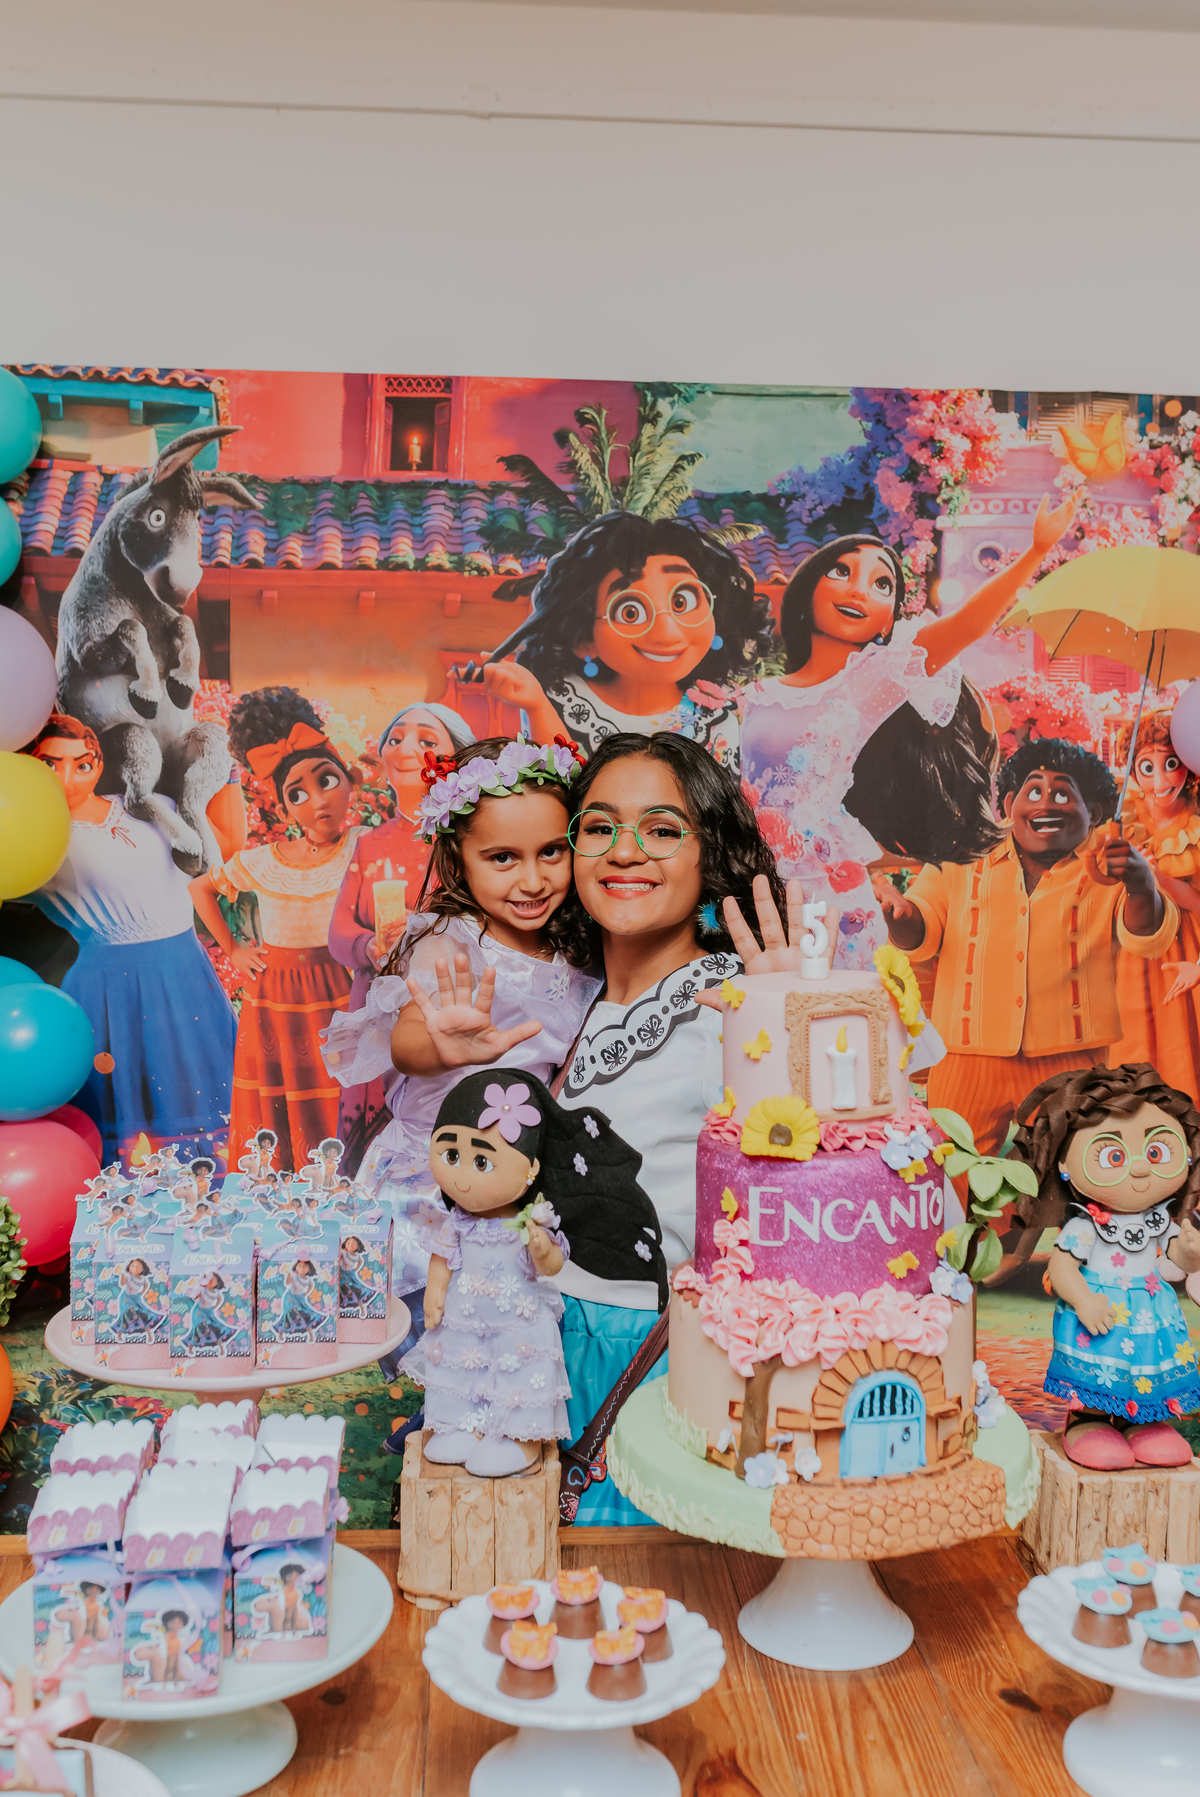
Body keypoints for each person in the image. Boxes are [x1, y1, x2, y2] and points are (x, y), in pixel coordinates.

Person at [549, 731, 789, 1522]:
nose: (625, 850)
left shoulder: (735, 999)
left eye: (661, 828)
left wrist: (792, 1022)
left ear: (709, 854)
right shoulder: (570, 1004)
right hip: (554, 1354)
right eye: (598, 826)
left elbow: (824, 1172)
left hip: (658, 1371)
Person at [321, 736, 601, 1327]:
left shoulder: (578, 950)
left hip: (511, 1179)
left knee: (501, 1337)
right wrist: (441, 1046)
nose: (532, 881)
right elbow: (408, 1043)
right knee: (428, 1330)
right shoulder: (449, 942)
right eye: (502, 858)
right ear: (457, 858)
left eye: (552, 851)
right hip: (431, 1177)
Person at [877, 738, 1180, 1280]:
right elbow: (921, 927)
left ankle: (1053, 1255)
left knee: (1072, 1163)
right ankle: (954, 1258)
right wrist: (901, 915)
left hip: (1072, 1054)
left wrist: (1140, 882)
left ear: (1094, 812)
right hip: (967, 1050)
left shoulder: (1109, 869)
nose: (1047, 803)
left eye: (1065, 793)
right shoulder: (958, 858)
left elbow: (1146, 936)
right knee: (953, 1159)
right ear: (1008, 803)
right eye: (1034, 791)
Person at [738, 498, 1076, 971]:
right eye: (841, 572)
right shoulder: (757, 694)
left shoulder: (872, 682)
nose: (859, 591)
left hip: (825, 891)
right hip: (749, 882)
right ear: (808, 586)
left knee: (833, 1025)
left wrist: (1037, 550)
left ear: (890, 615)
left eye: (881, 583)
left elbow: (968, 625)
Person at [400, 1069, 663, 1479]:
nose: (464, 1176)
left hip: (516, 1321)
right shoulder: (458, 1222)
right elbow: (444, 1256)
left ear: (530, 1170)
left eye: (482, 1160)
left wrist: (542, 1247)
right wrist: (436, 1291)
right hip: (465, 1317)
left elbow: (552, 1264)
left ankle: (517, 1439)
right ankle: (463, 1425)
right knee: (461, 1370)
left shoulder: (529, 1221)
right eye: (452, 1156)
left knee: (517, 1376)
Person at [28, 713, 236, 1166]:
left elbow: (212, 861)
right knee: (131, 1119)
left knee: (209, 1096)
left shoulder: (149, 804)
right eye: (50, 764)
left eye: (82, 763)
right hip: (112, 987)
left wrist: (220, 769)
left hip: (186, 968)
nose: (67, 778)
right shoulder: (34, 842)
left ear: (100, 763)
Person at [189, 687, 360, 1173]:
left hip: (339, 986)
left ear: (351, 782)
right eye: (297, 794)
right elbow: (200, 889)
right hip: (274, 993)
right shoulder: (263, 862)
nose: (318, 802)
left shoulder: (361, 846)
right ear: (283, 810)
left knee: (338, 1085)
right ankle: (286, 1190)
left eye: (327, 780)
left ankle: (344, 1180)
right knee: (281, 1090)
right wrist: (235, 948)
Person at [1008, 1062, 1200, 1469]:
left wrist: (1189, 1254)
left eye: (1155, 1151)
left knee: (1148, 1368)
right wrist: (1084, 1301)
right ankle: (1087, 1420)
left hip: (1151, 1316)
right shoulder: (1086, 1225)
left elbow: (1174, 1264)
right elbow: (1062, 1269)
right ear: (1065, 1164)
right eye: (1114, 1154)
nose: (1141, 1167)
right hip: (1100, 1315)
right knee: (1100, 1371)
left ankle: (1144, 1421)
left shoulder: (1160, 1220)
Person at [475, 513, 772, 770]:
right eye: (631, 611)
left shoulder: (714, 721)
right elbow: (557, 795)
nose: (667, 631)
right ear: (584, 636)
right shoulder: (561, 698)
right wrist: (536, 706)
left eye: (682, 601)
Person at [328, 702, 476, 1172]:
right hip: (375, 1006)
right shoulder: (368, 844)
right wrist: (366, 947)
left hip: (442, 1006)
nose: (407, 749)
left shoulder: (465, 839)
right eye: (395, 739)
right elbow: (337, 932)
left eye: (427, 741)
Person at [1110, 708, 1200, 1105]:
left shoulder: (1195, 825)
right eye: (1146, 767)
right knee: (1129, 1042)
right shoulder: (1122, 817)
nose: (1160, 781)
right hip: (1128, 949)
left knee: (1181, 1045)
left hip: (1183, 948)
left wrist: (1156, 877)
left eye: (1171, 764)